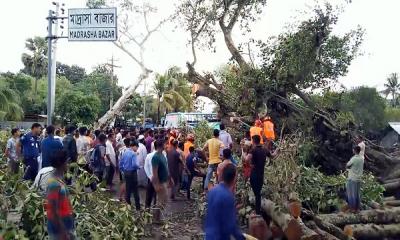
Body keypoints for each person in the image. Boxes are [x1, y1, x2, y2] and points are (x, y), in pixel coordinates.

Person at [204, 164, 244, 240]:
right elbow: (231, 224)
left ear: (222, 175)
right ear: (234, 178)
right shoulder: (228, 196)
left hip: (209, 235)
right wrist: (241, 237)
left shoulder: (212, 191)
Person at [45, 150, 75, 240]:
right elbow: (54, 211)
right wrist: (63, 232)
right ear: (62, 163)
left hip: (65, 224)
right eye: (67, 161)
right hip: (58, 229)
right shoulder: (53, 183)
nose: (68, 164)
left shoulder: (59, 178)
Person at [247, 135, 278, 214]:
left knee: (256, 193)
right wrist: (277, 150)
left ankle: (258, 211)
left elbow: (247, 159)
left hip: (254, 174)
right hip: (261, 174)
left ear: (253, 141)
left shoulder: (253, 150)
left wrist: (244, 154)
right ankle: (258, 210)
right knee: (258, 192)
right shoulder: (265, 149)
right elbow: (273, 156)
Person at [119, 139, 141, 210]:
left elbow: (120, 163)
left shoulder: (125, 152)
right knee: (135, 190)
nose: (137, 149)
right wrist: (139, 167)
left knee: (128, 190)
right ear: (134, 146)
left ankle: (128, 206)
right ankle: (138, 207)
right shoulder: (133, 154)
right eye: (137, 148)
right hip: (132, 173)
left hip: (126, 172)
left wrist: (123, 170)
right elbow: (134, 165)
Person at [346, 146, 364, 212]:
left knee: (351, 194)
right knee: (357, 194)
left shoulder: (353, 158)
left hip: (352, 178)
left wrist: (349, 167)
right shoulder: (362, 158)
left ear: (354, 150)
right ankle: (357, 208)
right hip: (359, 178)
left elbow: (347, 165)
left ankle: (353, 209)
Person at [152, 139, 169, 209]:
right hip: (160, 183)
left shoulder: (162, 154)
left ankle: (158, 217)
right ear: (161, 146)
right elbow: (155, 172)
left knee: (164, 200)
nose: (166, 145)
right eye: (165, 144)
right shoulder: (155, 157)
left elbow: (165, 167)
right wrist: (157, 184)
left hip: (164, 181)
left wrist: (169, 179)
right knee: (161, 202)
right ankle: (157, 217)